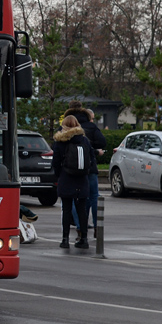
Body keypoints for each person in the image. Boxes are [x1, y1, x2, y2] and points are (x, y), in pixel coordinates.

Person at [52, 114, 96, 249]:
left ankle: (65, 239)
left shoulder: (60, 141)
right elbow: (92, 160)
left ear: (64, 126)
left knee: (66, 210)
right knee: (82, 209)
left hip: (66, 178)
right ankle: (84, 239)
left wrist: (60, 176)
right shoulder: (85, 141)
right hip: (82, 179)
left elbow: (56, 163)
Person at [66, 106, 107, 233]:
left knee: (74, 198)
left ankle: (79, 227)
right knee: (94, 196)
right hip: (90, 166)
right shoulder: (91, 127)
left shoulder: (67, 128)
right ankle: (97, 226)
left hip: (72, 168)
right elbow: (102, 142)